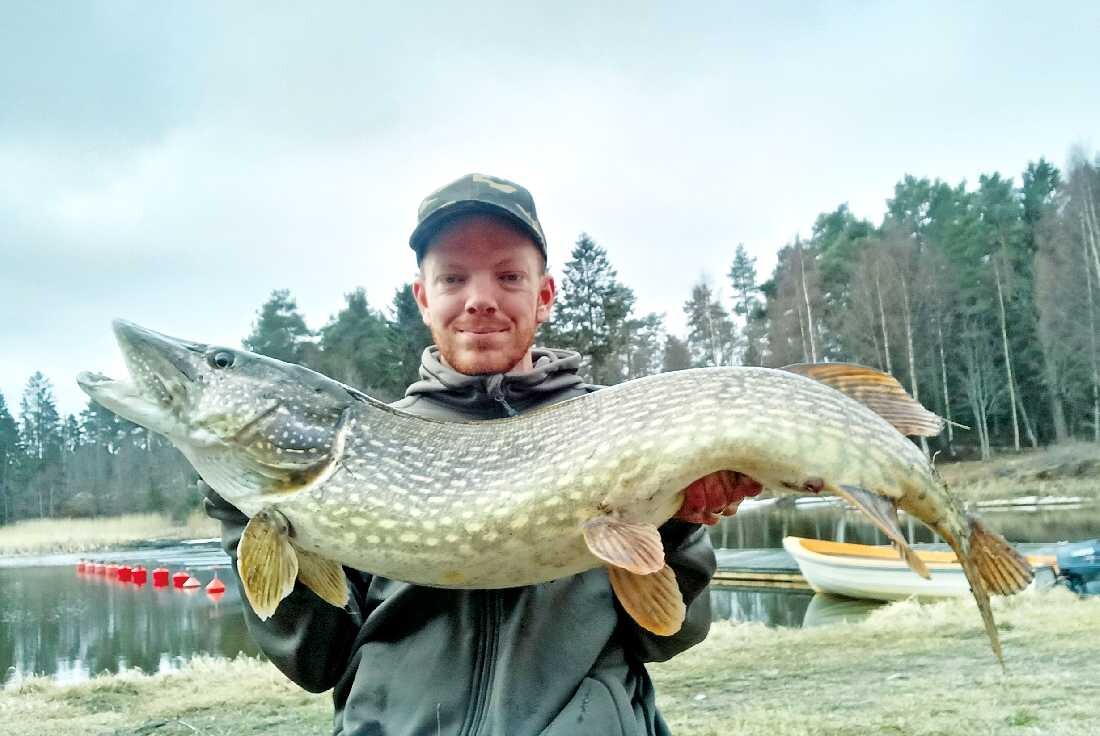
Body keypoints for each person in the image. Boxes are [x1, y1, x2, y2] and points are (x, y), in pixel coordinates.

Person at [203, 173, 761, 735]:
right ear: (424, 298)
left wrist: (679, 523)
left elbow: (667, 633)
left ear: (544, 295)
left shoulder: (622, 431)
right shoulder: (363, 446)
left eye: (509, 276)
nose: (480, 300)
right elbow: (316, 660)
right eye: (452, 277)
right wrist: (241, 502)